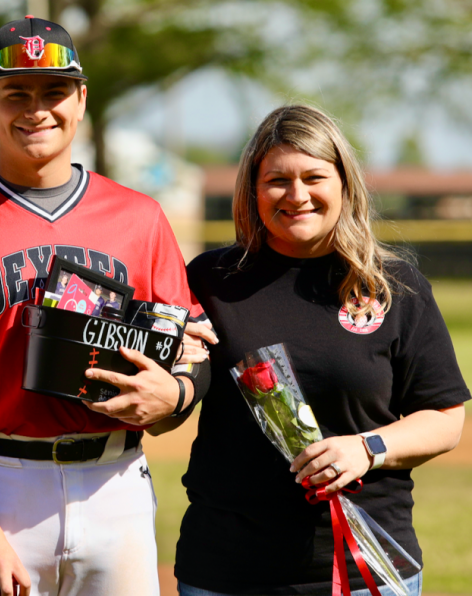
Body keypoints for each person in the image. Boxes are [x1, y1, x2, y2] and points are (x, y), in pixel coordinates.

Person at [0, 15, 213, 596]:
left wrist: (176, 396)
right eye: (15, 92)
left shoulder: (140, 218)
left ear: (82, 99)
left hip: (115, 479)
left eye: (54, 91)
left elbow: (191, 352)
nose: (36, 109)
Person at [175, 105, 468, 596]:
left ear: (344, 184)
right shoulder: (209, 279)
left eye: (314, 176)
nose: (297, 195)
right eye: (276, 181)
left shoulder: (396, 286)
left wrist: (367, 448)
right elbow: (171, 402)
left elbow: (444, 417)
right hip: (228, 569)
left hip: (363, 567)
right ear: (252, 189)